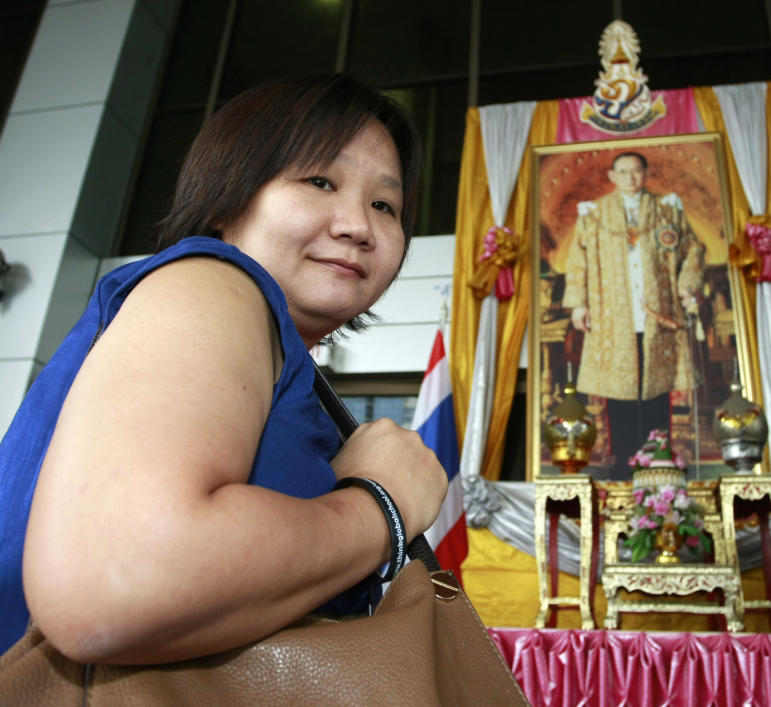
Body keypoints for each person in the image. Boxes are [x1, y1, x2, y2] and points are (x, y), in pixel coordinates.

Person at [0, 74, 448, 662]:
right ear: (224, 201)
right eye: (319, 180)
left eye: (384, 205)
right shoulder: (215, 283)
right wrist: (377, 504)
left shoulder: (276, 359)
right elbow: (116, 578)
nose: (357, 226)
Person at [561, 152, 704, 472]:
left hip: (658, 315)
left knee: (657, 387)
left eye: (636, 171)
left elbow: (693, 249)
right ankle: (625, 461)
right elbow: (577, 261)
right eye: (623, 172)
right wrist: (579, 305)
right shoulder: (594, 214)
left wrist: (686, 285)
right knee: (619, 389)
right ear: (612, 176)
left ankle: (659, 461)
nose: (630, 177)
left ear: (646, 173)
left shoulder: (668, 210)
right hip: (613, 316)